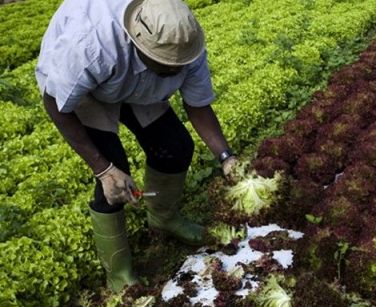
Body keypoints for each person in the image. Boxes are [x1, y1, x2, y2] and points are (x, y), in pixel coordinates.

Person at [35, 0, 238, 291]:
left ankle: (163, 218)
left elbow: (198, 106)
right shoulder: (91, 45)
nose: (176, 70)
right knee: (114, 176)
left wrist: (226, 157)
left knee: (175, 145)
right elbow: (55, 104)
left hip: (135, 81)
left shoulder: (183, 44)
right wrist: (103, 169)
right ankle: (118, 274)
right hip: (85, 90)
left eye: (178, 65)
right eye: (167, 64)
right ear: (140, 46)